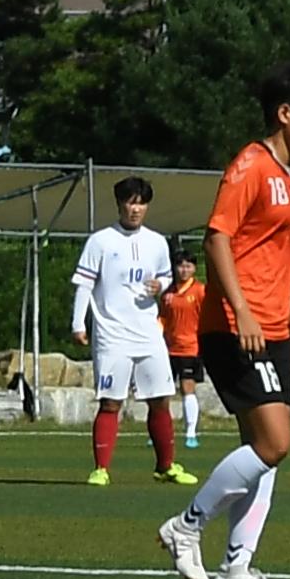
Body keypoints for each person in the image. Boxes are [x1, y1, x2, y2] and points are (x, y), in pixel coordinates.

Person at [157, 61, 290, 579]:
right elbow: (216, 240)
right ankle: (186, 525)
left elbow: (283, 259)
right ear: (284, 114)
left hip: (275, 328)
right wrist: (245, 313)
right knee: (276, 442)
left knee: (264, 448)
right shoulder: (250, 166)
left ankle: (238, 567)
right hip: (235, 328)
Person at [71, 175, 180, 488]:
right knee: (111, 401)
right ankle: (101, 468)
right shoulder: (101, 240)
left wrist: (161, 287)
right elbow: (84, 284)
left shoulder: (157, 242)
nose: (136, 208)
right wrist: (79, 322)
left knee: (160, 398)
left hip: (148, 332)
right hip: (112, 334)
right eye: (131, 202)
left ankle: (166, 466)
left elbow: (166, 279)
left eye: (141, 202)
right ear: (119, 204)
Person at [160, 247, 210, 471]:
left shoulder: (200, 291)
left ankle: (191, 431)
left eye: (188, 266)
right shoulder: (167, 292)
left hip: (191, 348)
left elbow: (207, 317)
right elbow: (161, 317)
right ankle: (161, 431)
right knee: (163, 392)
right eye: (180, 265)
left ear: (194, 269)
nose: (184, 270)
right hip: (168, 349)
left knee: (187, 388)